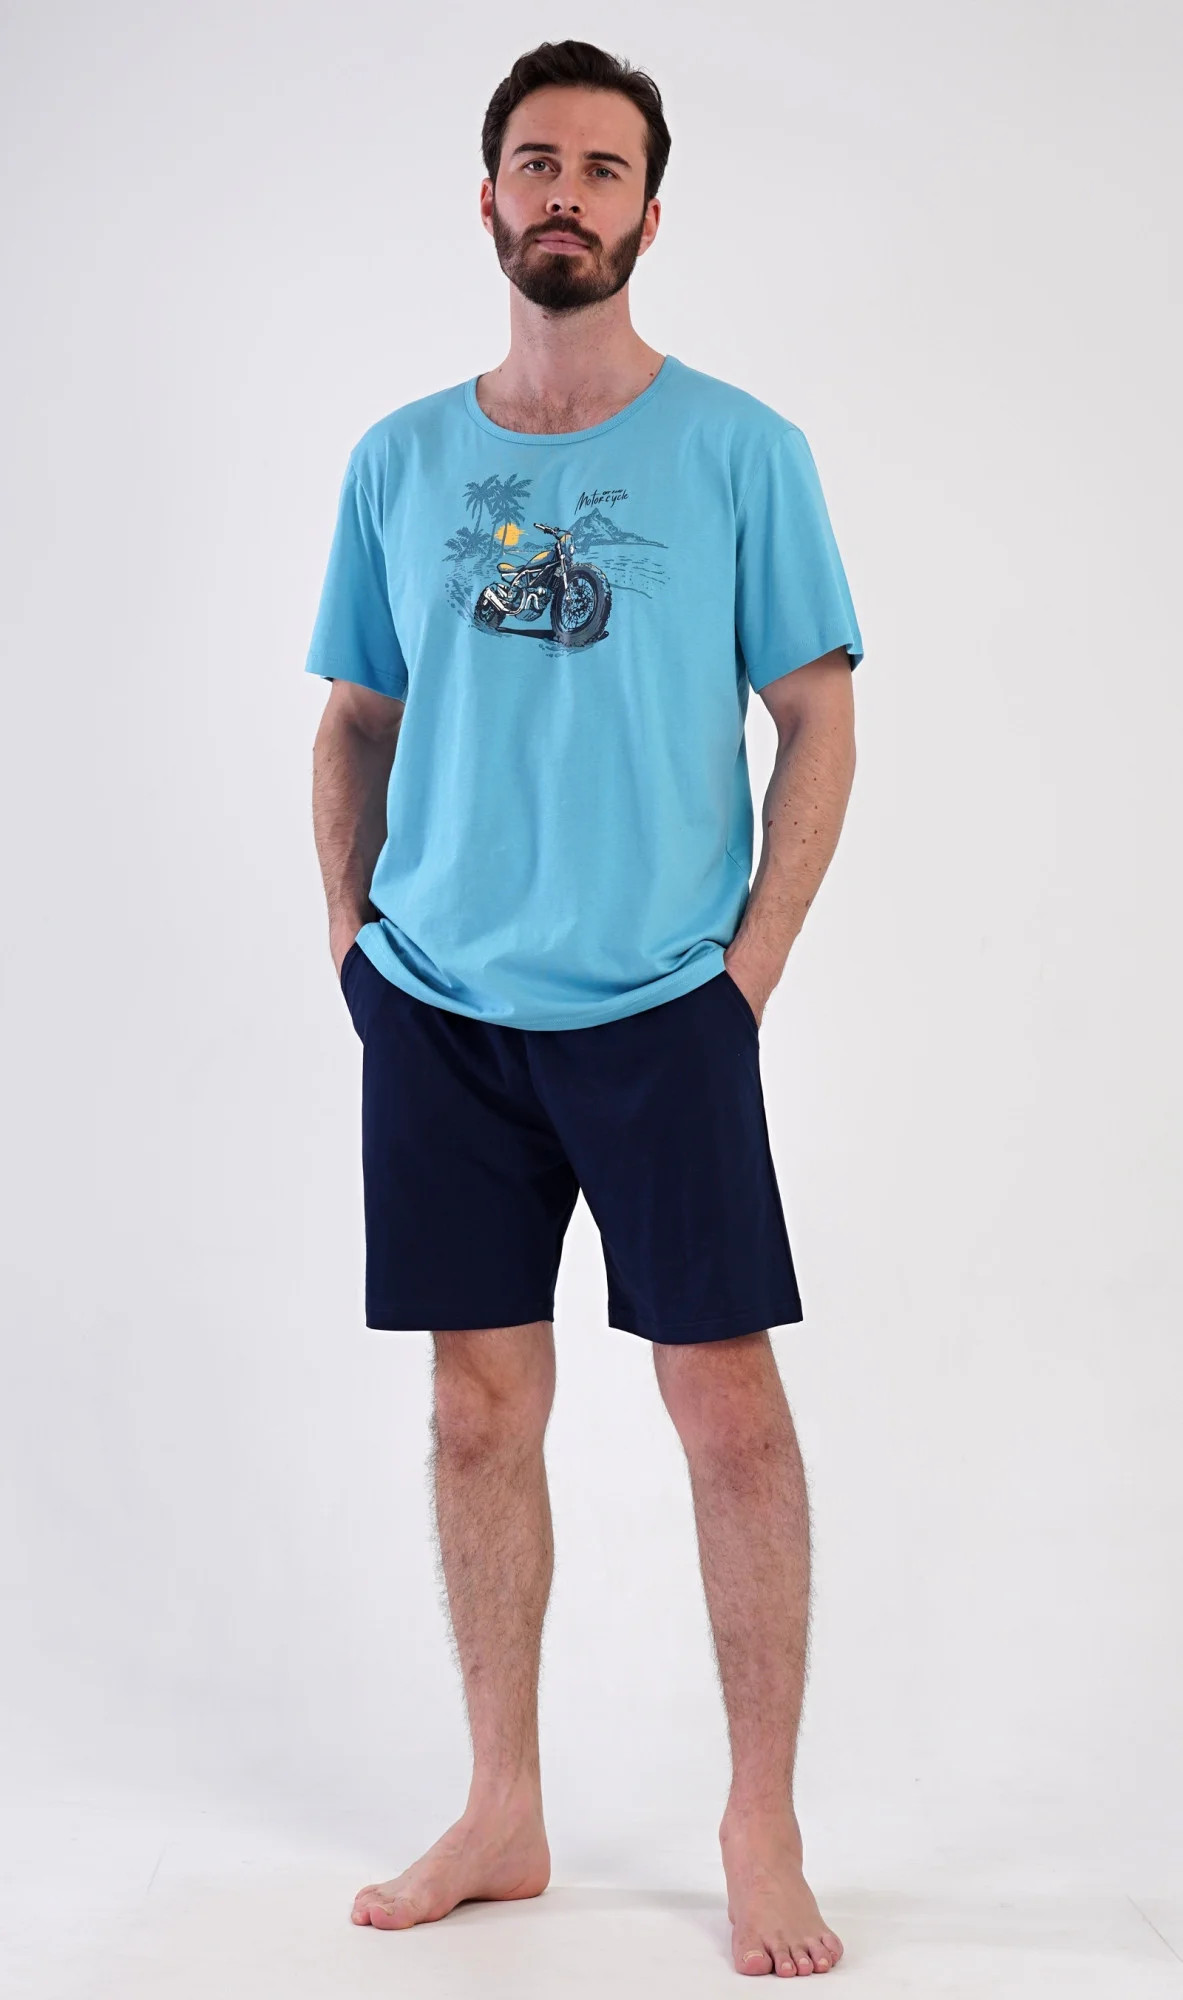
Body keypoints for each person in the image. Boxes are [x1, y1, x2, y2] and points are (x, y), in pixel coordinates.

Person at [305, 38, 862, 1981]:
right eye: (535, 161)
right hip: (438, 1010)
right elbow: (354, 719)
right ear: (488, 199)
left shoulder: (740, 451)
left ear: (648, 212)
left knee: (728, 1416)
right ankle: (503, 1805)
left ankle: (759, 1822)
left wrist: (747, 972)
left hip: (660, 1008)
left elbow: (816, 718)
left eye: (601, 168)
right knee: (476, 1412)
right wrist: (353, 946)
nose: (565, 192)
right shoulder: (398, 460)